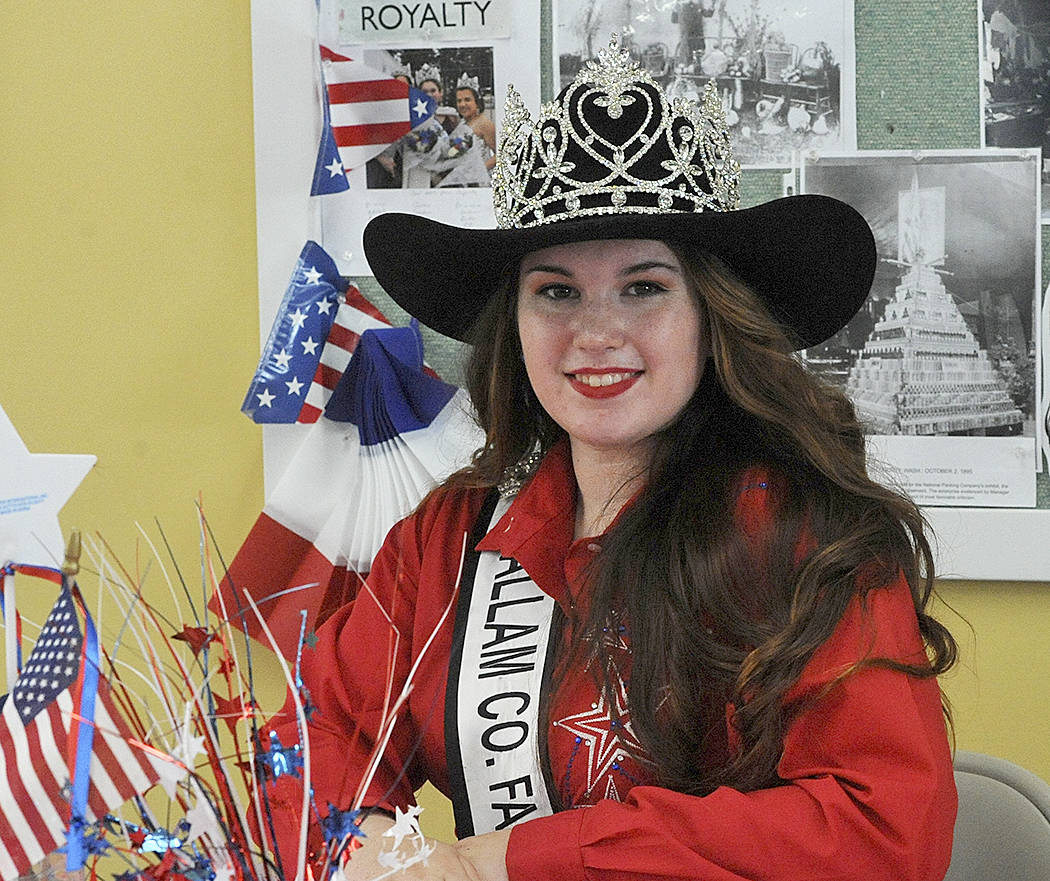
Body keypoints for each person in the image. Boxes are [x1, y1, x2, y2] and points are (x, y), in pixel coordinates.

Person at [265, 34, 958, 881]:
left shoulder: (810, 538)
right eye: (555, 291)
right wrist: (368, 843)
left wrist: (518, 861)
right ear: (513, 327)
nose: (595, 333)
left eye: (644, 287)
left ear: (712, 316)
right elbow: (306, 739)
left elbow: (882, 833)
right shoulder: (449, 540)